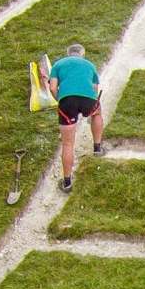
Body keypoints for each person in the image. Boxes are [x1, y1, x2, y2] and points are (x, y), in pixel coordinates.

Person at [47, 44, 108, 193]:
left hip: (67, 102)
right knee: (97, 113)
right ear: (82, 54)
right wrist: (90, 106)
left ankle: (67, 183)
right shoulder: (90, 65)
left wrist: (59, 100)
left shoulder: (58, 64)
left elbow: (53, 88)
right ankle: (97, 148)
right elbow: (95, 90)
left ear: (68, 54)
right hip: (88, 100)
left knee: (67, 144)